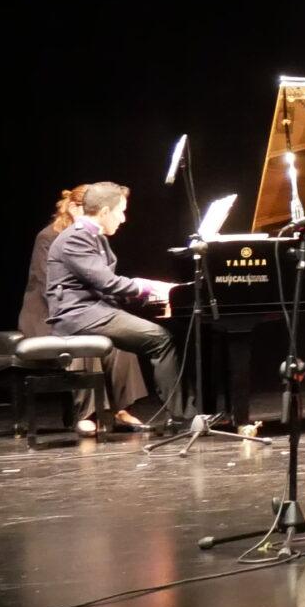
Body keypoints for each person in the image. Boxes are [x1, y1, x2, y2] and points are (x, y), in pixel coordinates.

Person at [43, 181, 189, 426]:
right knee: (160, 339)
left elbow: (106, 284)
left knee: (159, 336)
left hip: (93, 312)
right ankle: (182, 417)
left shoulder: (94, 236)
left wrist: (149, 292)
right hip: (79, 316)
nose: (123, 219)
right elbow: (107, 283)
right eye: (120, 212)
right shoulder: (76, 238)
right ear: (104, 212)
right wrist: (151, 288)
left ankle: (182, 413)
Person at [22, 184, 149, 432]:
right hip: (49, 314)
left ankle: (121, 409)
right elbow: (51, 287)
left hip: (88, 307)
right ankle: (88, 414)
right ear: (73, 208)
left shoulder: (95, 239)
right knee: (83, 334)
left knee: (122, 335)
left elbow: (103, 279)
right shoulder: (50, 238)